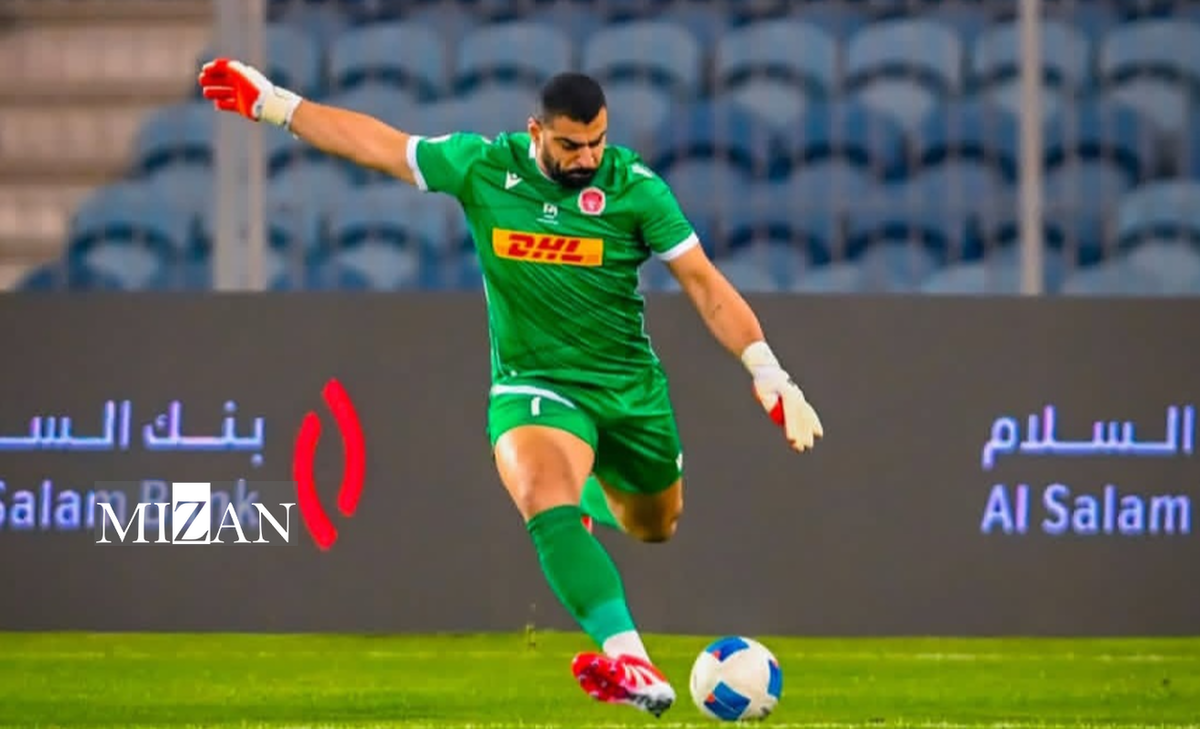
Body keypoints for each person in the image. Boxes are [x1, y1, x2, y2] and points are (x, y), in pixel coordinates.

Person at [197, 58, 824, 717]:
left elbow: (704, 284)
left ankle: (587, 496)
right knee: (540, 491)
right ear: (536, 132)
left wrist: (767, 370)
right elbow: (379, 145)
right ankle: (631, 660)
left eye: (597, 142)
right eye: (571, 145)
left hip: (629, 392)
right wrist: (276, 105)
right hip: (534, 385)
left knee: (655, 524)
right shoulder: (483, 168)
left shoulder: (636, 189)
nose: (587, 158)